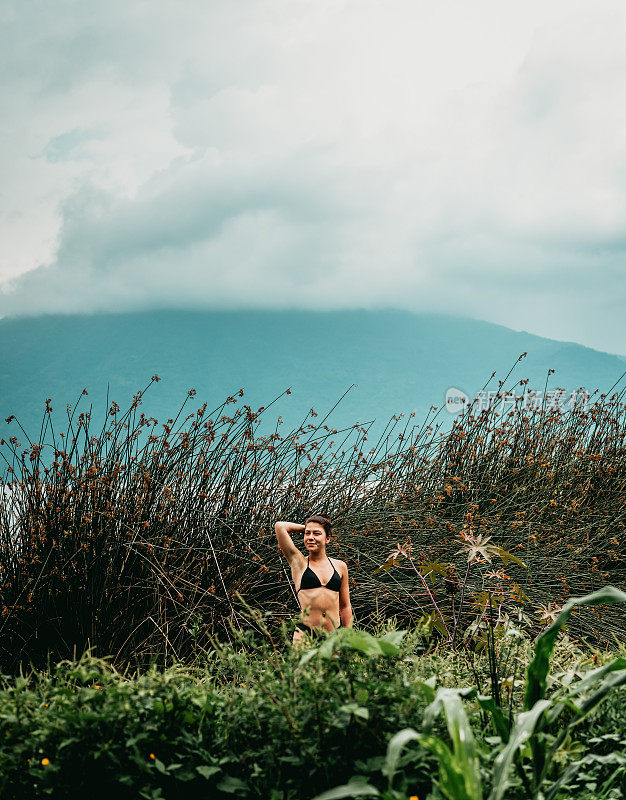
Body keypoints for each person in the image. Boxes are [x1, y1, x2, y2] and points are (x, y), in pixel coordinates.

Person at [275, 515, 353, 647]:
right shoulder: (298, 563)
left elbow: (345, 606)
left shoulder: (340, 566)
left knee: (334, 668)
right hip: (306, 634)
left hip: (334, 634)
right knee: (305, 668)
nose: (310, 537)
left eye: (316, 534)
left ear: (328, 538)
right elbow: (280, 526)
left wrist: (348, 636)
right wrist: (307, 528)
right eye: (307, 534)